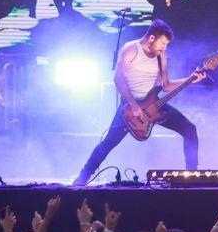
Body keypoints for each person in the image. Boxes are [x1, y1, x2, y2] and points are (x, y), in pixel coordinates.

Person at [73, 20, 204, 186]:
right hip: (130, 107)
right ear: (151, 38)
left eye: (166, 45)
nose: (164, 48)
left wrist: (190, 79)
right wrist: (133, 104)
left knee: (189, 129)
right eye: (162, 43)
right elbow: (118, 78)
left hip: (154, 104)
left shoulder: (160, 56)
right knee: (110, 141)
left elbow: (165, 85)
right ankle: (84, 175)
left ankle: (192, 176)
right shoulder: (131, 49)